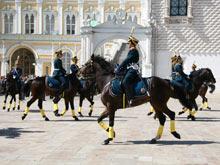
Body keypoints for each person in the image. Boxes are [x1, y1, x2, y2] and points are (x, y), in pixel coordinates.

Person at [116, 34, 140, 105]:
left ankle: (131, 98)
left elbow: (127, 60)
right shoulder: (131, 51)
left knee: (126, 81)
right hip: (129, 68)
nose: (128, 44)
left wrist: (120, 67)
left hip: (133, 69)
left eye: (129, 43)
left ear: (132, 44)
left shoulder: (134, 51)